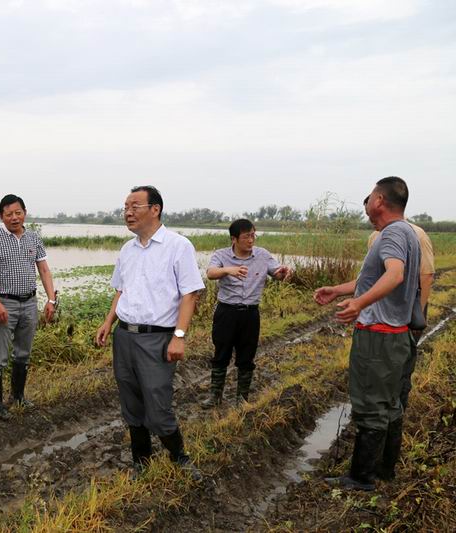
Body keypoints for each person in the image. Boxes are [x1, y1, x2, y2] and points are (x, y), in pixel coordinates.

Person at [314, 176, 420, 491]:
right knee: (390, 404)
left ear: (379, 201)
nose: (368, 201)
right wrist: (338, 289)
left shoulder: (392, 233)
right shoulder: (406, 232)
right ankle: (385, 470)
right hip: (394, 335)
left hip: (379, 338)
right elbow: (375, 279)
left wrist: (359, 303)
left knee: (372, 405)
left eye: (371, 195)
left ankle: (361, 477)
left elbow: (395, 275)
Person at [95, 185, 205, 476]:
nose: (128, 213)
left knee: (157, 404)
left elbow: (190, 294)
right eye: (125, 208)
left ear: (155, 209)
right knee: (131, 402)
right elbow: (121, 290)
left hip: (157, 338)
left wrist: (179, 336)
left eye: (135, 206)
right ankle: (141, 462)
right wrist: (108, 322)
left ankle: (180, 457)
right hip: (125, 336)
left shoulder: (178, 246)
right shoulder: (127, 250)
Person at [0, 194, 58, 419]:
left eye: (18, 213)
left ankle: (18, 396)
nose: (14, 218)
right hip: (4, 303)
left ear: (25, 213)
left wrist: (51, 299)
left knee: (23, 352)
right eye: (9, 214)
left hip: (30, 303)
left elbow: (44, 270)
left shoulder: (33, 237)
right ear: (1, 216)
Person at [202, 219, 292, 408]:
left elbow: (276, 273)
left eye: (253, 235)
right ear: (234, 239)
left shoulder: (262, 255)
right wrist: (229, 270)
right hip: (226, 312)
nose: (251, 240)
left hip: (250, 314)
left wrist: (283, 272)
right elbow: (210, 273)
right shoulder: (221, 255)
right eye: (246, 237)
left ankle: (242, 399)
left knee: (247, 356)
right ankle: (215, 396)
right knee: (221, 354)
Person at [365, 196, 435, 410]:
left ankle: (396, 412)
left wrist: (415, 316)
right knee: (377, 365)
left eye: (371, 213)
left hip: (408, 311)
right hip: (381, 312)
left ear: (380, 206)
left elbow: (426, 275)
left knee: (401, 366)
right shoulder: (375, 237)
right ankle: (378, 409)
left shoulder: (416, 234)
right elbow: (372, 277)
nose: (369, 219)